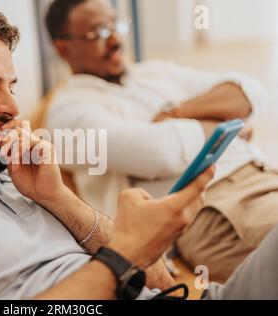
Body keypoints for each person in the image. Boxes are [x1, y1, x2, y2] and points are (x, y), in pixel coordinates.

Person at [0, 0, 276, 301]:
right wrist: (125, 254)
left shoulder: (25, 185)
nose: (10, 106)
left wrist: (57, 198)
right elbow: (131, 261)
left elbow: (158, 280)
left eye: (11, 86)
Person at [44, 0, 278, 281]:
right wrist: (224, 124)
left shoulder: (153, 73)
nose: (116, 39)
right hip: (215, 208)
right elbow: (161, 152)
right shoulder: (67, 114)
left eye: (115, 25)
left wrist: (177, 113)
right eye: (98, 33)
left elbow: (249, 92)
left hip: (263, 175)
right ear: (63, 48)